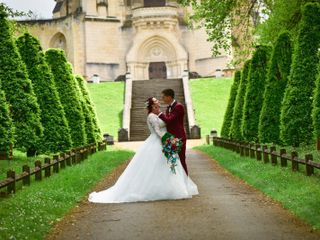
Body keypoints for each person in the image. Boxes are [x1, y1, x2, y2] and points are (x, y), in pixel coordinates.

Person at [88, 97, 198, 203]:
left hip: (164, 140)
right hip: (159, 141)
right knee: (158, 166)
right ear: (152, 105)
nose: (158, 102)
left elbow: (167, 123)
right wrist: (168, 140)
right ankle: (157, 190)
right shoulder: (151, 116)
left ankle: (174, 188)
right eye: (156, 101)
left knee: (169, 165)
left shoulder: (159, 114)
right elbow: (157, 131)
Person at [156, 89, 188, 175]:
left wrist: (159, 113)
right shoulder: (168, 108)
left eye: (164, 97)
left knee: (181, 160)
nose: (162, 99)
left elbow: (169, 120)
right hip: (171, 138)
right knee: (173, 162)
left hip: (179, 137)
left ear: (169, 97)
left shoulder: (178, 106)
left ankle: (185, 181)